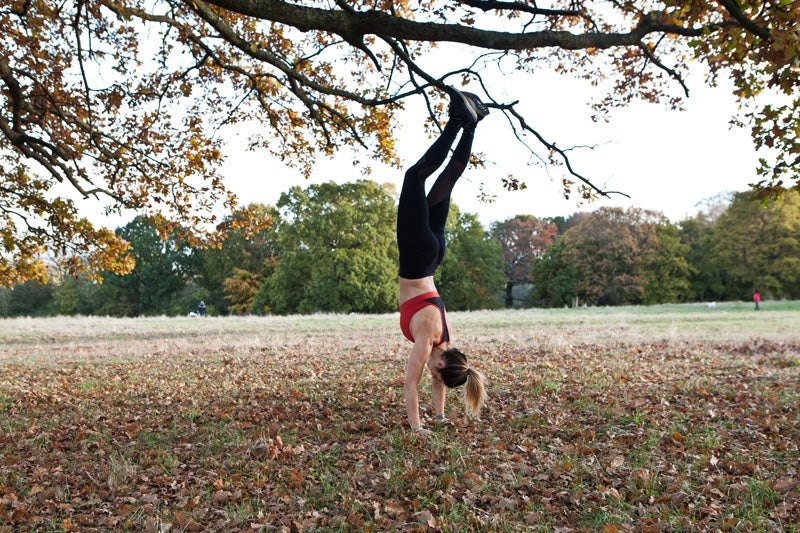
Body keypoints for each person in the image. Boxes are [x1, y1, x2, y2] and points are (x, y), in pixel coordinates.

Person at [397, 87, 488, 436]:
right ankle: (457, 121)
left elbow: (436, 379)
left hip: (434, 256)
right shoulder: (427, 339)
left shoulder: (445, 341)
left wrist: (439, 416)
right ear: (445, 358)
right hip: (418, 255)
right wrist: (417, 428)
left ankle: (471, 124)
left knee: (447, 181)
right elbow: (410, 383)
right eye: (437, 371)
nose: (431, 375)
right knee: (415, 177)